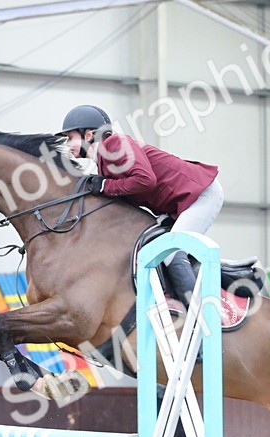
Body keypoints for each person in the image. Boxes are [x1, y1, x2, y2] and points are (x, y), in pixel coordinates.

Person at [58, 105, 223, 307]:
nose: (67, 144)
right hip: (178, 204)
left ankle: (201, 315)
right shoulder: (104, 160)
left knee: (170, 251)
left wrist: (105, 185)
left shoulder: (114, 144)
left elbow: (145, 180)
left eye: (70, 137)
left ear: (89, 134)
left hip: (201, 195)